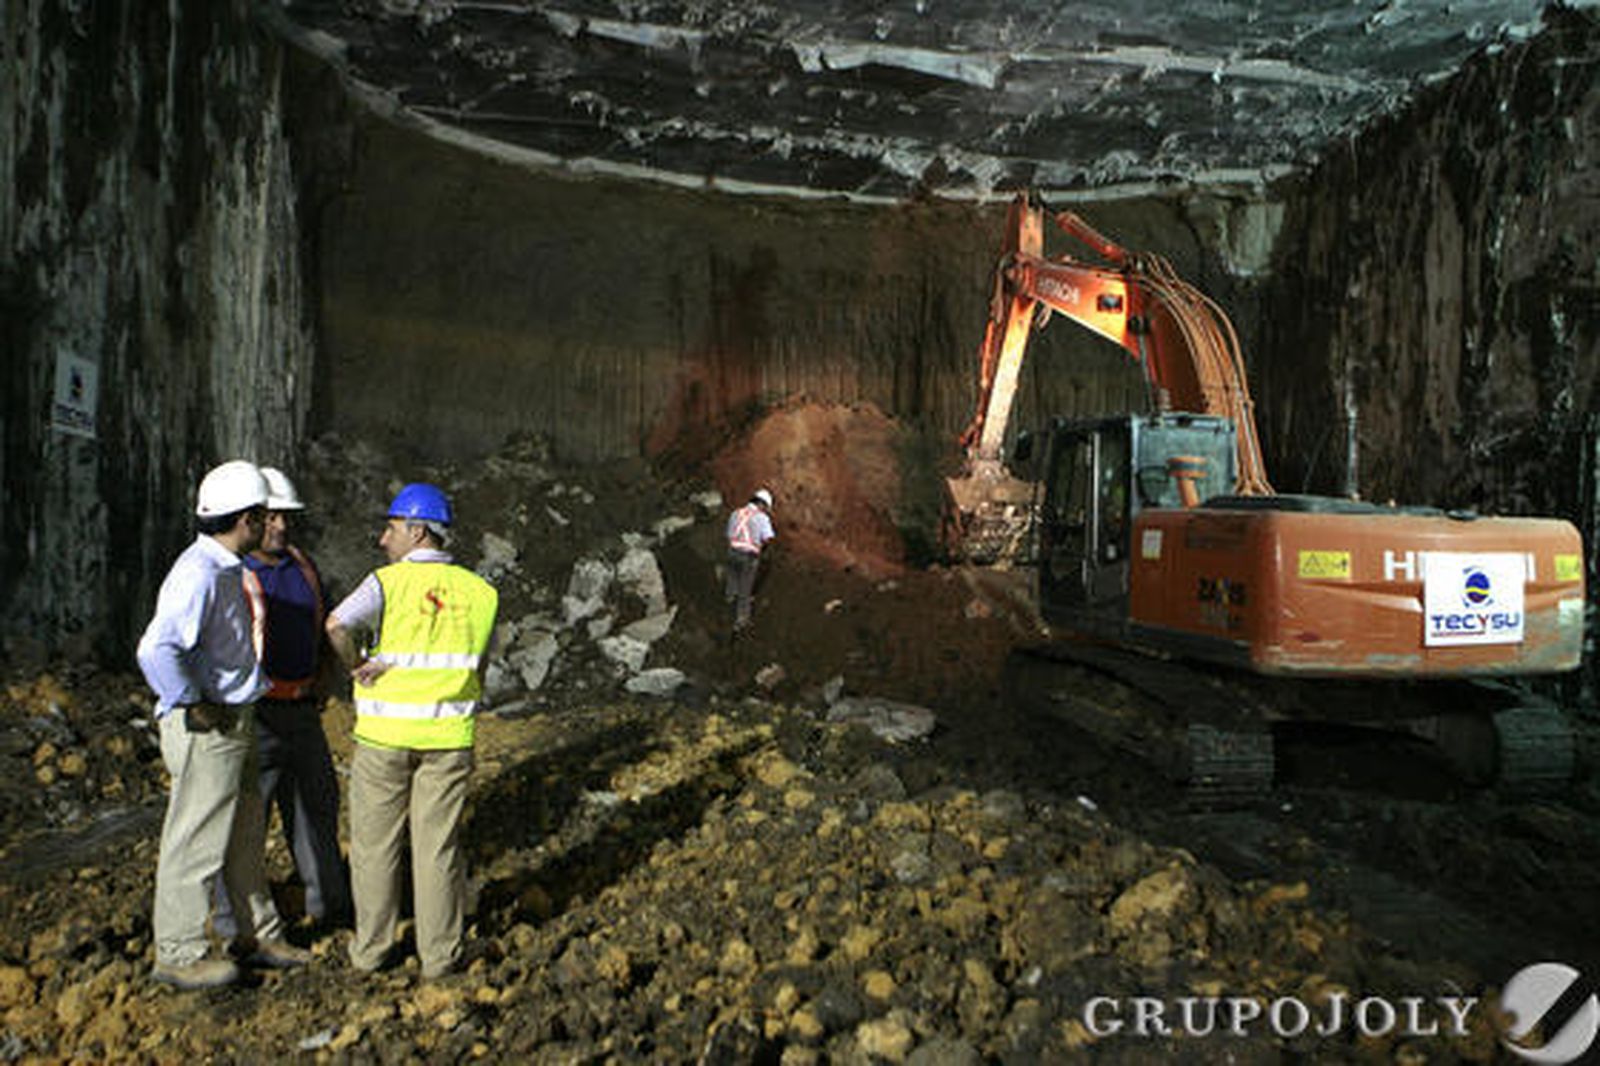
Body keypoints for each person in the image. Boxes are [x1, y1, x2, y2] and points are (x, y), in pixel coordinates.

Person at [136, 460, 313, 990]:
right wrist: (190, 701)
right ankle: (179, 952)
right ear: (246, 518)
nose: (270, 525)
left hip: (236, 720)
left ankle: (256, 935)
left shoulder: (226, 567)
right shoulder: (200, 573)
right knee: (195, 839)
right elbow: (156, 648)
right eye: (263, 515)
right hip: (208, 728)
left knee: (242, 837)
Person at [325, 483, 498, 980]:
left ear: (417, 530)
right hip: (446, 740)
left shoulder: (386, 583)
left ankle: (371, 951)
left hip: (383, 738)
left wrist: (357, 665)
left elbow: (336, 625)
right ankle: (440, 956)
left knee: (375, 846)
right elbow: (477, 665)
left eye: (392, 528)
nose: (383, 539)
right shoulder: (482, 594)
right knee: (437, 848)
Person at [212, 467, 352, 939]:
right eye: (270, 517)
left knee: (318, 806)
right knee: (246, 823)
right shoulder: (232, 574)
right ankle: (234, 926)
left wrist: (325, 685)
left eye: (285, 517)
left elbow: (328, 629)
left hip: (302, 711)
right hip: (256, 717)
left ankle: (331, 908)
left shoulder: (302, 568)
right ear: (250, 517)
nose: (281, 526)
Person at [725, 487, 776, 631]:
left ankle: (729, 597)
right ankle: (741, 619)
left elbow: (729, 534)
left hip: (732, 551)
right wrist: (761, 547)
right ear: (762, 505)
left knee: (733, 576)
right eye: (766, 508)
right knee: (745, 588)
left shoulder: (736, 513)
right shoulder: (762, 518)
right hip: (748, 556)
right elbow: (768, 538)